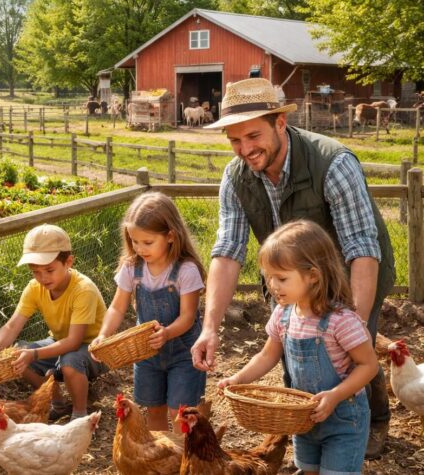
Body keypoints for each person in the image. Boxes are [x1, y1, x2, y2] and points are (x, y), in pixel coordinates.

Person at [191, 78, 395, 459]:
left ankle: (372, 421)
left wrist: (355, 323)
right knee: (295, 352)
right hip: (287, 279)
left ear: (280, 124)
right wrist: (210, 327)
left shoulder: (333, 163)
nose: (245, 149)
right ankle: (307, 432)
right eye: (235, 141)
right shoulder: (235, 178)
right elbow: (227, 250)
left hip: (351, 274)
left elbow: (362, 248)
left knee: (352, 350)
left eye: (254, 135)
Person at [218, 220, 378, 475]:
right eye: (268, 277)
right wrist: (236, 379)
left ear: (313, 275)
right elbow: (267, 355)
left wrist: (335, 395)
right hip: (303, 421)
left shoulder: (340, 320)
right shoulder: (283, 314)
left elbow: (369, 365)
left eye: (281, 278)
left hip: (343, 421)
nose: (272, 285)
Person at [91, 192, 206, 433]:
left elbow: (188, 317)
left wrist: (167, 333)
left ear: (171, 236)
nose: (139, 248)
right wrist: (103, 335)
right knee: (154, 409)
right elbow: (117, 306)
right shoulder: (132, 268)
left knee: (180, 412)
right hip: (147, 354)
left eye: (148, 242)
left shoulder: (186, 270)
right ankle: (162, 460)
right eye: (134, 241)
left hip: (184, 352)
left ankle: (183, 461)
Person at [0, 224, 108, 421]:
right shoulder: (34, 288)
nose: (43, 277)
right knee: (15, 356)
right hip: (59, 341)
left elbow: (74, 342)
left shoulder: (84, 290)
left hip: (95, 349)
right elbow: (12, 325)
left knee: (70, 361)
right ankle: (57, 403)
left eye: (49, 270)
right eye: (36, 272)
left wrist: (34, 354)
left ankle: (80, 416)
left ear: (68, 262)